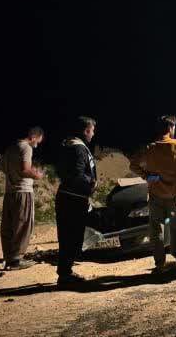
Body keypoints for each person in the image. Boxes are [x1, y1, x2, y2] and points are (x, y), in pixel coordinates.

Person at [130, 115, 176, 272]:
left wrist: (146, 176)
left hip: (156, 194)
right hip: (174, 193)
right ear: (170, 128)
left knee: (156, 229)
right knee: (175, 226)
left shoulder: (150, 148)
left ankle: (160, 264)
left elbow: (133, 165)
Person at [55, 116, 97, 285]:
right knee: (71, 237)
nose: (93, 134)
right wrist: (91, 183)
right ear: (86, 130)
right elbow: (77, 175)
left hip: (69, 197)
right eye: (92, 131)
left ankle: (65, 272)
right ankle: (65, 275)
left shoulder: (67, 145)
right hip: (73, 200)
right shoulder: (78, 149)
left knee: (68, 237)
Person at [1, 126, 45, 270]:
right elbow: (25, 170)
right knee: (24, 225)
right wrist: (37, 175)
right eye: (37, 141)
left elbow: (6, 169)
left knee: (9, 226)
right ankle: (16, 260)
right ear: (33, 137)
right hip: (23, 191)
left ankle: (8, 258)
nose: (37, 144)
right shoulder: (26, 148)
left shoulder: (10, 148)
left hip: (9, 192)